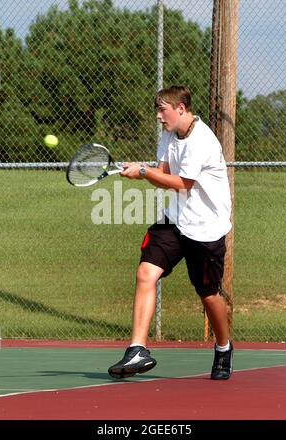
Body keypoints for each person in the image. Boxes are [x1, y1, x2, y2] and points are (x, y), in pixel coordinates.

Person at [108, 85, 233, 380]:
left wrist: (142, 172)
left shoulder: (202, 140)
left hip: (206, 230)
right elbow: (163, 175)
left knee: (208, 295)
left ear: (181, 109)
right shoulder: (168, 134)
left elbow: (182, 184)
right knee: (145, 273)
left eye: (163, 109)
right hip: (175, 221)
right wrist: (142, 173)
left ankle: (224, 347)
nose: (158, 116)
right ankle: (137, 349)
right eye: (157, 109)